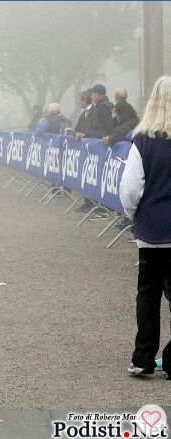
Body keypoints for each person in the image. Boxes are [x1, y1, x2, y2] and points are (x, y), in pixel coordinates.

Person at [119, 75, 171, 378]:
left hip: (152, 230)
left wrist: (133, 217)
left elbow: (130, 190)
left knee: (148, 294)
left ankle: (143, 358)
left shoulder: (142, 141)